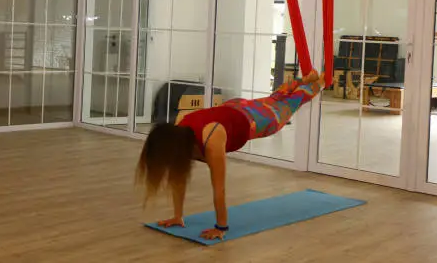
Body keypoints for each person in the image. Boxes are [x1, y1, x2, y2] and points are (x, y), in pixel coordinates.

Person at [136, 70, 325, 240]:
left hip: (257, 120)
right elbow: (179, 178)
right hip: (235, 107)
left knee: (288, 105)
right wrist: (178, 216)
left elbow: (219, 189)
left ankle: (320, 81)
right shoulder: (180, 132)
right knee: (273, 100)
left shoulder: (211, 138)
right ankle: (303, 80)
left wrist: (221, 227)